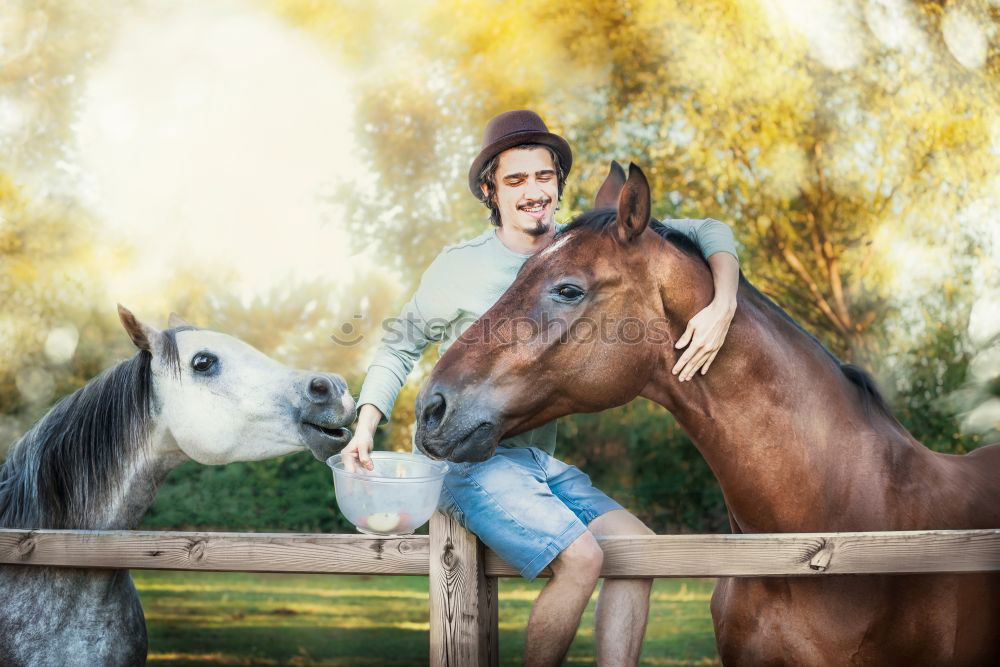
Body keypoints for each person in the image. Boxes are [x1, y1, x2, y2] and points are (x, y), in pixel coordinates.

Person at [342, 110, 740, 666]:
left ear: (558, 183)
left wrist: (722, 304)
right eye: (515, 180)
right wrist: (364, 428)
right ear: (491, 191)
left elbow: (710, 231)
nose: (534, 192)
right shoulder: (456, 269)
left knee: (640, 550)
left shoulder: (579, 250)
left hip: (532, 460)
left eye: (544, 177)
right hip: (463, 463)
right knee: (581, 560)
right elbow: (398, 347)